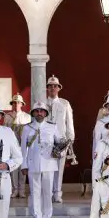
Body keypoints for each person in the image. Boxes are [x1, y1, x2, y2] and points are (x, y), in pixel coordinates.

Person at [21, 101, 62, 218]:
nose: (39, 113)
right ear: (33, 113)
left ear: (45, 113)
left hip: (49, 163)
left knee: (47, 193)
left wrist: (60, 151)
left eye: (42, 111)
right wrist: (24, 165)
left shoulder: (53, 127)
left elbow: (60, 143)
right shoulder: (27, 128)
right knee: (35, 192)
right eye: (37, 111)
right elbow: (23, 148)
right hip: (33, 164)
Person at [46, 76, 75, 204]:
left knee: (59, 168)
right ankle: (47, 193)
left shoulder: (65, 103)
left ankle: (57, 193)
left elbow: (69, 121)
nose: (53, 88)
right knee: (47, 167)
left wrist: (70, 138)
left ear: (59, 88)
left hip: (61, 139)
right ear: (47, 88)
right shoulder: (42, 102)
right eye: (50, 86)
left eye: (55, 86)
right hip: (46, 140)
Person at [4, 93, 31, 199]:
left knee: (23, 167)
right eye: (14, 102)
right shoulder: (7, 116)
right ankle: (15, 190)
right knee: (14, 168)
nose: (16, 104)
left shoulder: (27, 116)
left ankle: (22, 190)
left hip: (23, 146)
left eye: (18, 102)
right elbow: (5, 131)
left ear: (22, 104)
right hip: (12, 146)